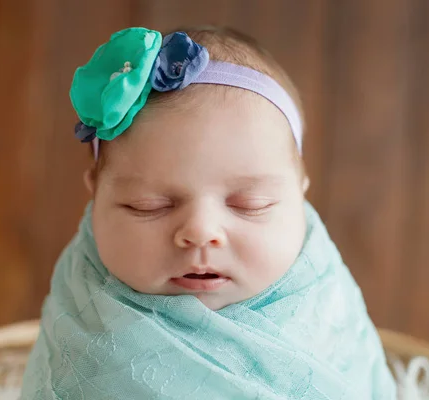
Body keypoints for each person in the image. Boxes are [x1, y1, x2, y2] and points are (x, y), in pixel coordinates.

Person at [20, 26, 397, 399]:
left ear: (300, 195)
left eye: (250, 205)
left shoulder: (325, 308)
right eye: (148, 206)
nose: (200, 232)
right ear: (95, 198)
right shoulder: (84, 322)